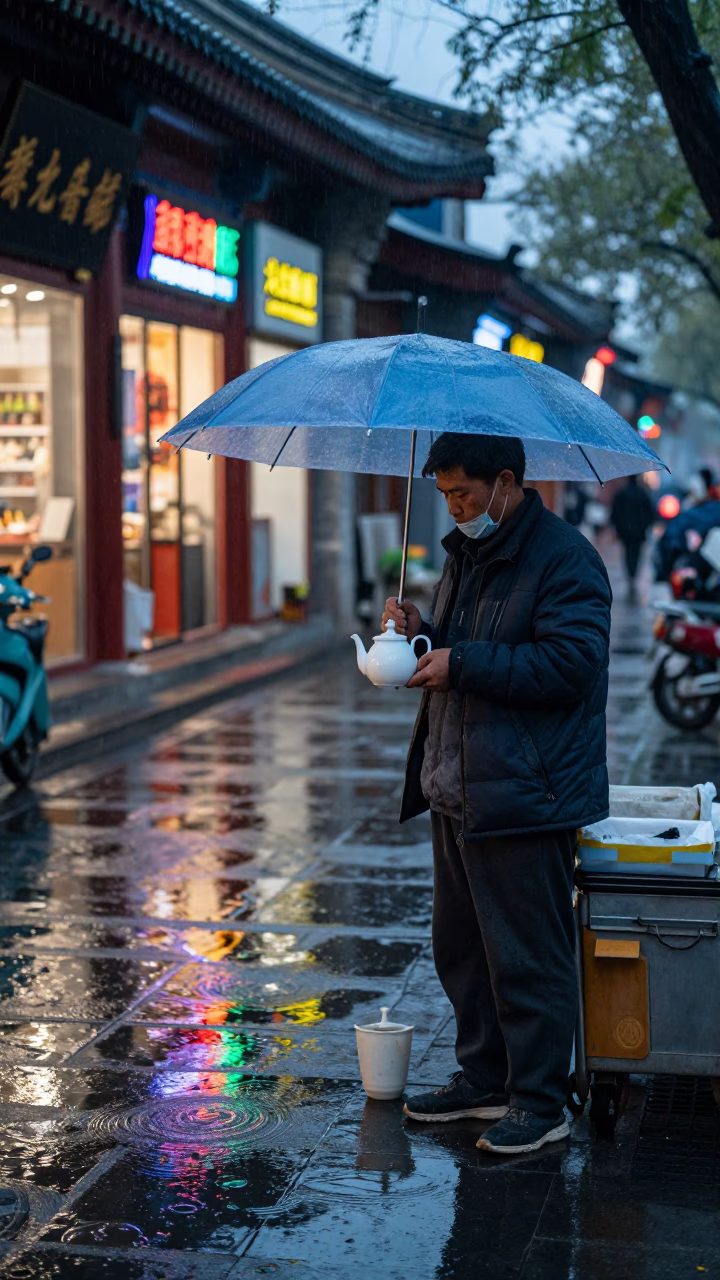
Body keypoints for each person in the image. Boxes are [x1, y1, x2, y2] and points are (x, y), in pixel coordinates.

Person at [383, 433, 611, 1156]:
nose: (454, 509)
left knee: (526, 953)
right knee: (462, 946)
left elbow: (570, 663)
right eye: (445, 496)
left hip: (525, 791)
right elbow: (468, 642)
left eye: (464, 495)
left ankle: (541, 1101)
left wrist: (463, 660)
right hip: (459, 784)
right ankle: (484, 1078)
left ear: (506, 483)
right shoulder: (467, 555)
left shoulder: (565, 558)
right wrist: (425, 634)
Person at [609, 475, 656, 600]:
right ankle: (633, 574)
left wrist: (617, 526)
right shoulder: (642, 494)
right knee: (636, 552)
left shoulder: (621, 493)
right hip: (639, 530)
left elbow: (614, 512)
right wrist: (645, 525)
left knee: (627, 552)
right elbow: (650, 513)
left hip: (625, 530)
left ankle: (630, 574)